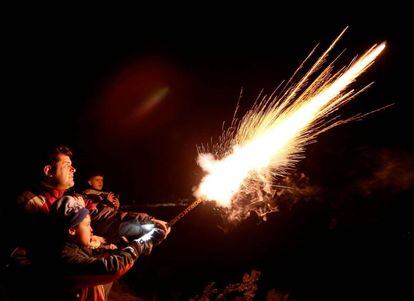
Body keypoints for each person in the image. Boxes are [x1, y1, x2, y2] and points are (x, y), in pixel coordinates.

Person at [48, 196, 167, 300]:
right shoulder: (65, 258)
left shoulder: (77, 246)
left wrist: (109, 250)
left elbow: (104, 254)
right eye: (87, 224)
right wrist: (142, 243)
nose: (91, 229)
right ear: (72, 230)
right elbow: (113, 267)